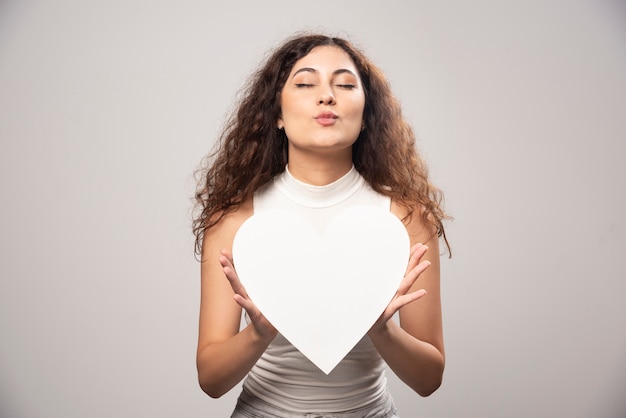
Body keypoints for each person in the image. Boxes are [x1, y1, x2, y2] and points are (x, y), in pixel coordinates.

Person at [192, 32, 450, 417]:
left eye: (345, 84)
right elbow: (210, 380)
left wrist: (381, 328)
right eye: (305, 83)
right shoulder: (235, 222)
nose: (326, 96)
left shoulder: (405, 219)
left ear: (366, 115)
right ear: (276, 113)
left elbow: (429, 380)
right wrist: (259, 333)